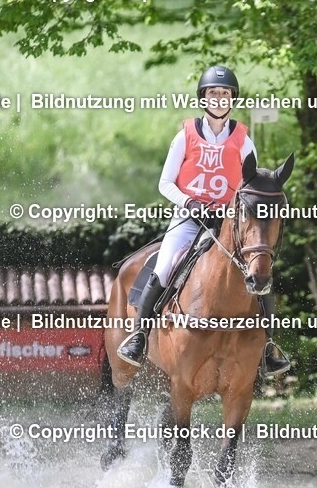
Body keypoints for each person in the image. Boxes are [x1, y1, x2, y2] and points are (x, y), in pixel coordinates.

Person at [117, 65, 291, 376]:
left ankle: (268, 347)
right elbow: (165, 183)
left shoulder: (242, 139)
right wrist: (190, 202)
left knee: (259, 272)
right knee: (165, 264)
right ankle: (139, 337)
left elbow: (251, 186)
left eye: (225, 94)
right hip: (188, 217)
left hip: (227, 224)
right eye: (214, 93)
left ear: (232, 99)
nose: (220, 98)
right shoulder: (185, 136)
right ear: (204, 97)